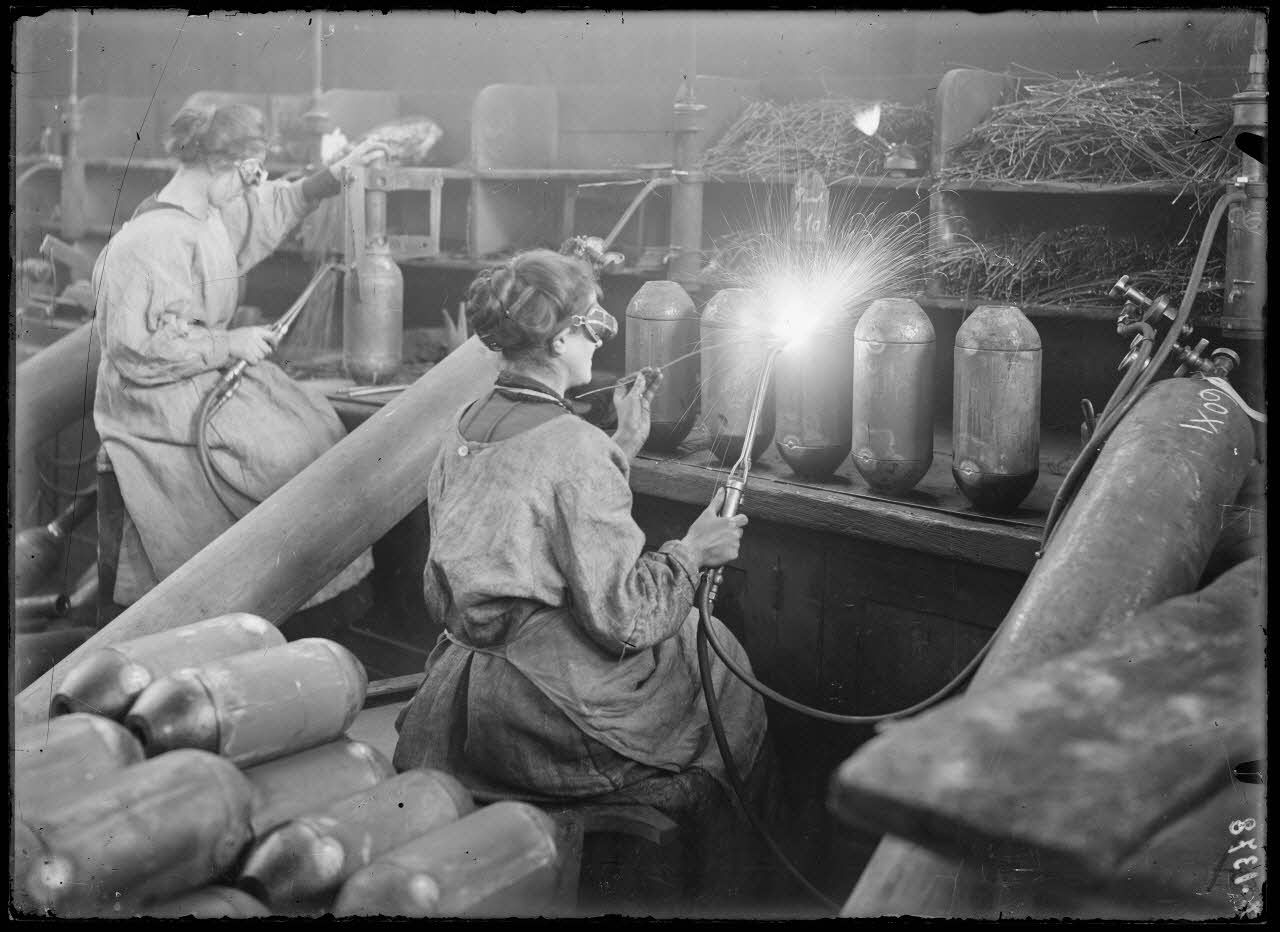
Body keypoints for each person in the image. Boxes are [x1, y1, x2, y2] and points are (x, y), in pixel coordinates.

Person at [392, 248, 770, 828]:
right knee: (714, 646)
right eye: (596, 324)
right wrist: (694, 551)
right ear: (561, 339)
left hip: (460, 700)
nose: (601, 341)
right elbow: (626, 619)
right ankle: (716, 863)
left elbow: (524, 503)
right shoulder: (575, 446)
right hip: (542, 721)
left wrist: (620, 444)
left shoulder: (469, 421)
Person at [91, 103, 382, 628]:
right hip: (155, 398)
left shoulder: (207, 215)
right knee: (279, 453)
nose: (254, 188)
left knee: (316, 427)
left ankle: (305, 599)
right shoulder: (143, 243)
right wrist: (227, 345)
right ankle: (266, 602)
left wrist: (327, 181)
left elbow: (262, 209)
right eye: (250, 174)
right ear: (224, 166)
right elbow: (135, 349)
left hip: (196, 374)